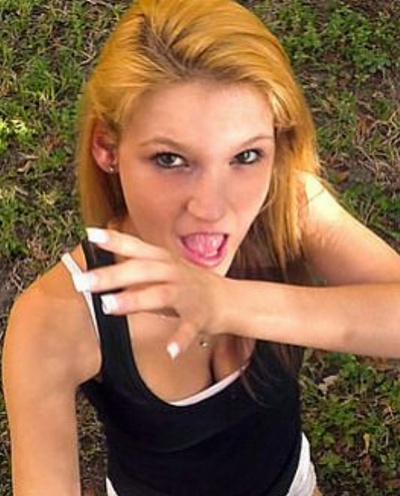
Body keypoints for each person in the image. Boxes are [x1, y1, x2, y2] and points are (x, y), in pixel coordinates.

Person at [2, 0, 400, 495]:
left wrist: (227, 303)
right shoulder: (55, 320)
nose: (213, 208)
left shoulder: (287, 208)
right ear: (106, 147)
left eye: (246, 156)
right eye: (170, 159)